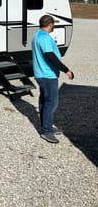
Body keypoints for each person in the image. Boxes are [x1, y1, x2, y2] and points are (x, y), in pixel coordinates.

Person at [32, 15, 74, 144]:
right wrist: (66, 69)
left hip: (41, 74)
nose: (53, 26)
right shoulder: (44, 38)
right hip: (47, 75)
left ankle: (47, 126)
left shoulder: (37, 35)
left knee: (44, 101)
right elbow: (50, 55)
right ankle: (46, 131)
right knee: (51, 103)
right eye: (53, 24)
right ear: (50, 24)